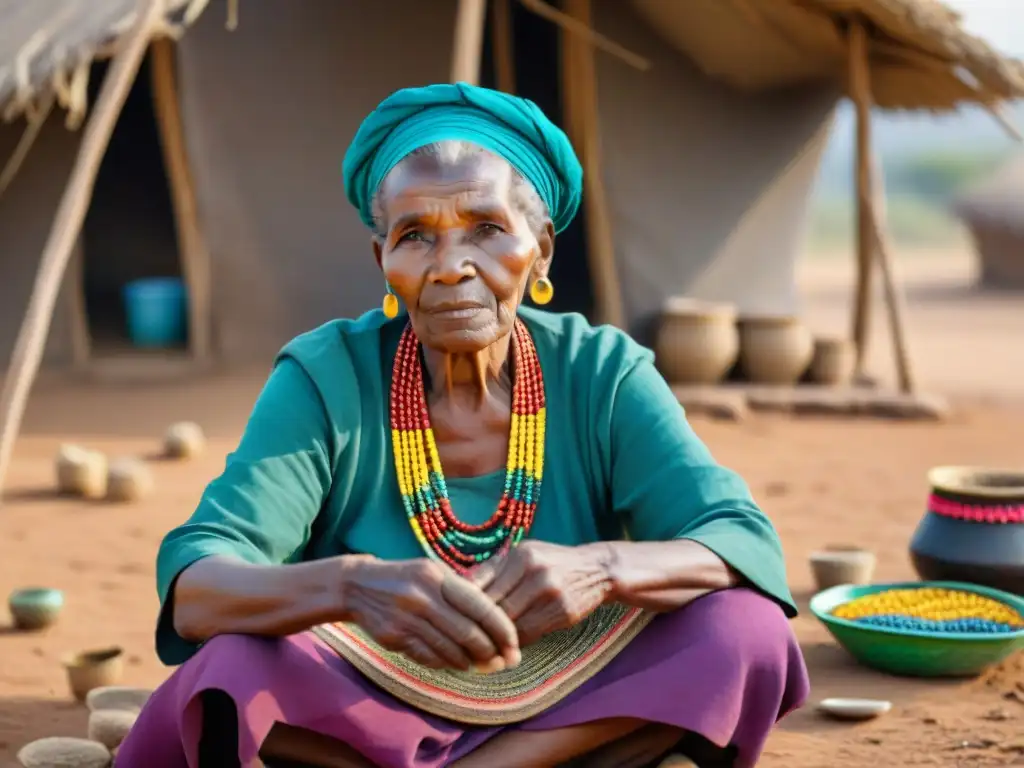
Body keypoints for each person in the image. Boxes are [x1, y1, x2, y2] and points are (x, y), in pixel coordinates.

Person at [115, 83, 808, 768]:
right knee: (230, 670)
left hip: (571, 689)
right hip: (366, 690)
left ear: (540, 251)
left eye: (487, 229)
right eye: (415, 237)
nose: (451, 268)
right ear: (382, 262)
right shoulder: (327, 377)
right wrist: (352, 586)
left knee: (744, 630)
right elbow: (198, 586)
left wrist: (600, 569)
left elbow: (738, 540)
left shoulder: (601, 372)